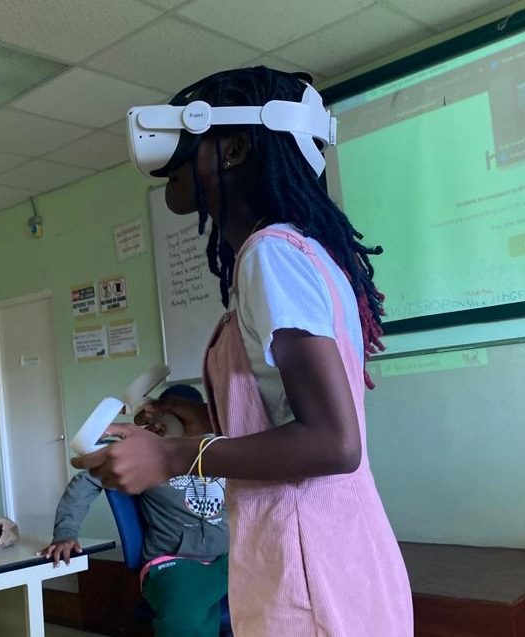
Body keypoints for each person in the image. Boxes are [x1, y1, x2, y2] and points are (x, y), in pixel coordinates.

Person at [74, 67, 413, 636]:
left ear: (232, 148)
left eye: (189, 137)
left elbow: (334, 441)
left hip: (312, 579)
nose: (172, 158)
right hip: (329, 560)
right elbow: (280, 419)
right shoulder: (298, 254)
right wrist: (179, 431)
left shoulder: (269, 255)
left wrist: (173, 458)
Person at [42, 384, 229, 637]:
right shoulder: (148, 456)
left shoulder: (219, 451)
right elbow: (85, 482)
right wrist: (65, 532)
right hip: (176, 560)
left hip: (228, 557)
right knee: (184, 621)